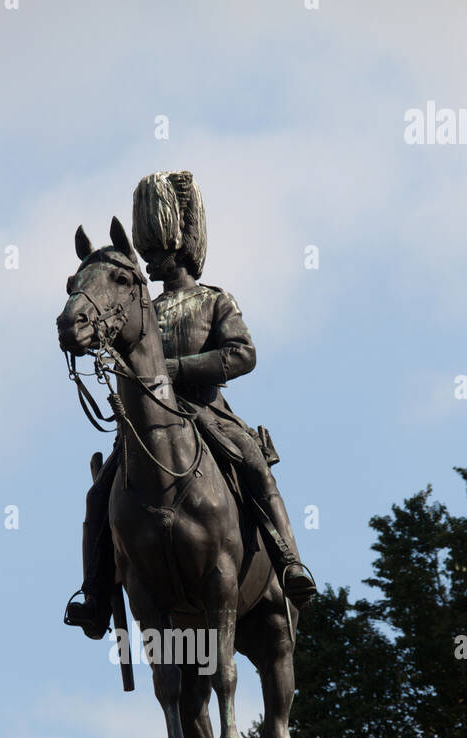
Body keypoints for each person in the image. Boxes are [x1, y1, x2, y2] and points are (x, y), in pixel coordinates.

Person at [65, 170, 316, 639]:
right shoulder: (141, 306)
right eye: (147, 251)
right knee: (100, 494)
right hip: (146, 426)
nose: (149, 259)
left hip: (208, 413)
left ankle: (289, 563)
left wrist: (175, 372)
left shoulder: (214, 301)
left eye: (156, 250)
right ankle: (94, 594)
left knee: (255, 465)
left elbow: (243, 354)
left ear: (178, 247)